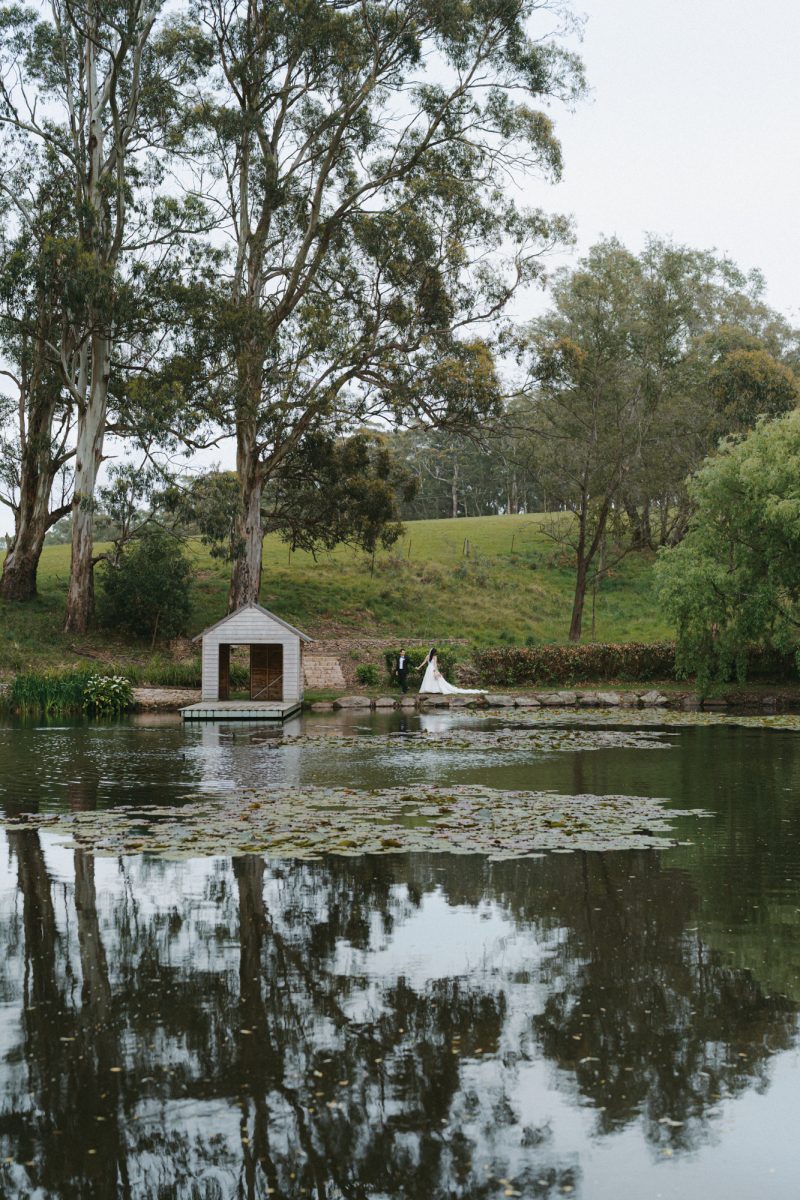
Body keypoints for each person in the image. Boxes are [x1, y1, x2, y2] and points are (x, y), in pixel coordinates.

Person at [416, 646, 484, 696]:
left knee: (429, 679)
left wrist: (418, 667)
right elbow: (435, 665)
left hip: (429, 669)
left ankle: (428, 689)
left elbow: (423, 662)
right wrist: (436, 671)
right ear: (434, 652)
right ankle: (434, 689)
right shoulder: (435, 657)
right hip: (432, 669)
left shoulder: (427, 656)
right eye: (435, 652)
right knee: (434, 679)